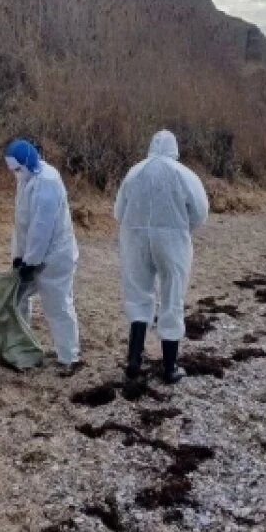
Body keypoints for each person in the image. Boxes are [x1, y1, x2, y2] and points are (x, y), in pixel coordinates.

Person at [114, 130, 209, 383]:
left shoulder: (135, 172)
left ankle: (134, 360)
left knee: (138, 295)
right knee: (172, 297)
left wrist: (137, 227)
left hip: (135, 239)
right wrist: (180, 228)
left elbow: (118, 211)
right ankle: (169, 367)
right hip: (172, 241)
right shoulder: (184, 174)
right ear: (174, 147)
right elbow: (200, 211)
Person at [4, 139, 82, 377]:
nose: (16, 174)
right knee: (17, 300)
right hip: (32, 254)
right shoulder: (26, 178)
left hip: (55, 256)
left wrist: (31, 261)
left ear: (26, 163)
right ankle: (22, 347)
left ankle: (69, 357)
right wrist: (19, 257)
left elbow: (42, 227)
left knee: (57, 305)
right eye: (13, 170)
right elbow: (23, 224)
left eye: (17, 169)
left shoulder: (47, 181)